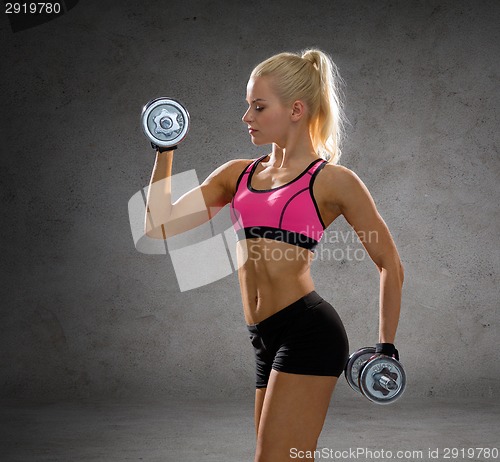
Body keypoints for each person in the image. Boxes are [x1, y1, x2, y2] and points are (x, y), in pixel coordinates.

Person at [144, 48, 404, 462]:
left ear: (296, 109)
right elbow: (159, 224)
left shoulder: (334, 181)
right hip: (263, 338)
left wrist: (385, 348)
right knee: (283, 458)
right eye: (248, 106)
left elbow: (390, 264)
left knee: (275, 459)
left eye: (258, 107)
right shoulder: (238, 175)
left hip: (308, 333)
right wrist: (165, 146)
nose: (247, 117)